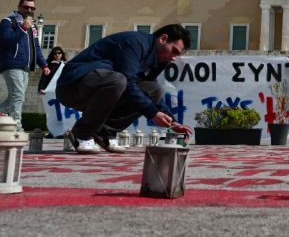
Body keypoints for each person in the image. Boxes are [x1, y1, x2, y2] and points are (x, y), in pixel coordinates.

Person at [56, 24, 193, 154]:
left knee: (153, 90)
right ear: (163, 39)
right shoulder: (135, 42)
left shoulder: (158, 59)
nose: (174, 58)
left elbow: (149, 91)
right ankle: (82, 133)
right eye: (174, 51)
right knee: (119, 81)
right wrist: (152, 114)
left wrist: (172, 122)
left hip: (101, 87)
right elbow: (129, 82)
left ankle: (105, 132)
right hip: (72, 86)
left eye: (177, 55)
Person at [0, 0, 50, 131]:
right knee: (18, 96)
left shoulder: (33, 27)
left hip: (26, 67)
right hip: (12, 63)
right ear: (19, 7)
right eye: (26, 7)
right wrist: (22, 28)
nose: (29, 10)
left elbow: (36, 48)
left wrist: (44, 65)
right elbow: (6, 41)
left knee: (13, 98)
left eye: (32, 8)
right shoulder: (8, 21)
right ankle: (17, 126)